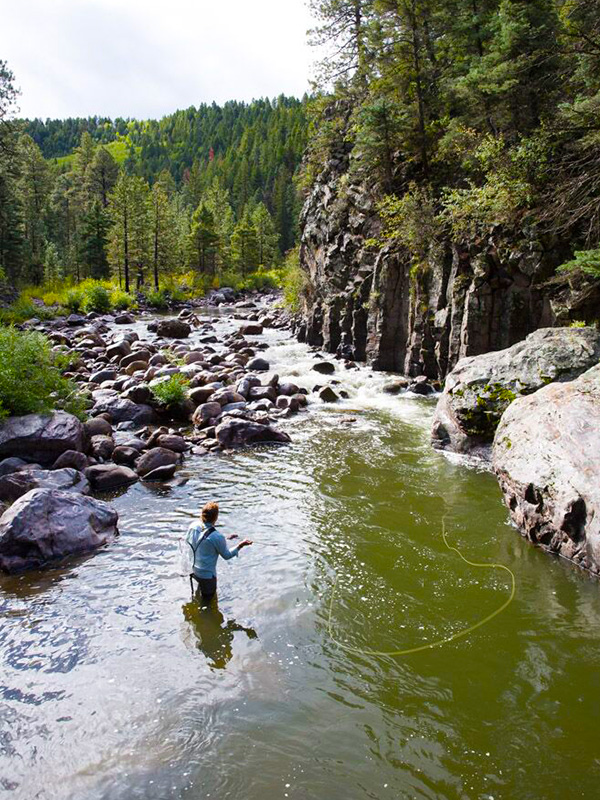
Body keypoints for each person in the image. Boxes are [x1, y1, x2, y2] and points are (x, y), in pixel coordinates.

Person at [186, 501, 252, 602]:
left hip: (193, 571)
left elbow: (203, 540)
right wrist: (241, 545)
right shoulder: (217, 537)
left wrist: (225, 538)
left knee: (198, 596)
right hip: (207, 576)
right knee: (208, 603)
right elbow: (227, 555)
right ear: (216, 517)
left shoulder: (193, 526)